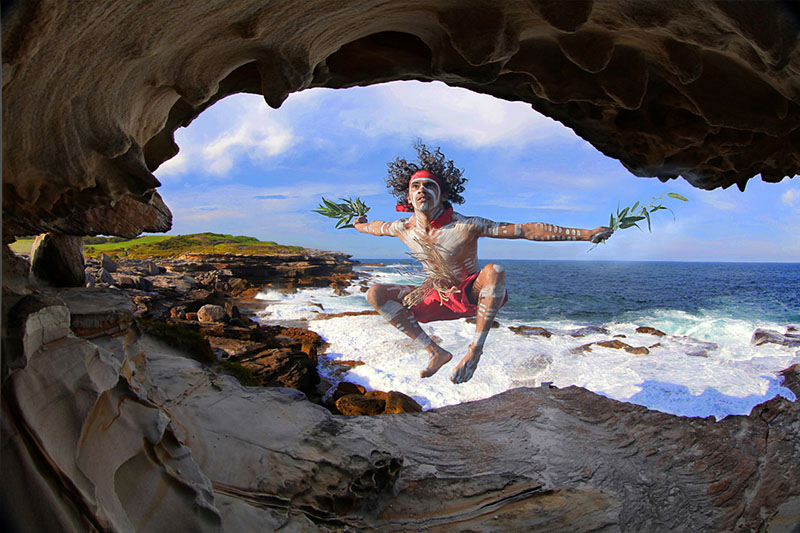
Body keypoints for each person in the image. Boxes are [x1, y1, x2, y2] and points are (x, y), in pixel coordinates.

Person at [354, 143, 613, 384]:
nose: (422, 190)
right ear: (408, 197)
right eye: (416, 186)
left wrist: (584, 234)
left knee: (494, 271)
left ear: (443, 195)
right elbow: (374, 227)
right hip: (434, 296)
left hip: (472, 294)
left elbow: (525, 231)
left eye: (429, 186)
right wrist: (358, 224)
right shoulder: (403, 228)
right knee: (375, 293)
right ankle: (435, 352)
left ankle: (474, 351)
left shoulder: (466, 225)